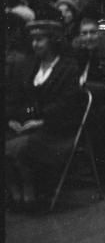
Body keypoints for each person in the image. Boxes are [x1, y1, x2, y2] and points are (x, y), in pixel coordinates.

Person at [5, 18, 84, 211]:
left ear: (53, 40)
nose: (35, 44)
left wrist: (40, 121)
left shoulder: (68, 68)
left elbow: (67, 106)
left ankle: (28, 186)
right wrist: (13, 119)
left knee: (19, 146)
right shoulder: (27, 66)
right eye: (33, 40)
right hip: (26, 125)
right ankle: (14, 188)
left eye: (40, 39)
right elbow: (16, 98)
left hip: (54, 129)